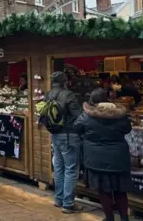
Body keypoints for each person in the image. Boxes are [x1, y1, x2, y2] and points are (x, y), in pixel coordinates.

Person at [74, 89, 132, 221]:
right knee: (120, 190)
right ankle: (124, 218)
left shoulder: (86, 115)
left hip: (96, 159)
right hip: (119, 158)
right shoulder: (120, 115)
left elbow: (76, 128)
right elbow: (128, 129)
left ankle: (109, 218)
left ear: (92, 102)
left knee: (103, 191)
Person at [45, 71, 82, 214]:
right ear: (65, 81)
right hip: (69, 135)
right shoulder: (68, 95)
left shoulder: (48, 94)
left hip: (55, 135)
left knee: (59, 168)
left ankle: (58, 199)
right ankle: (68, 204)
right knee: (71, 169)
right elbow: (77, 115)